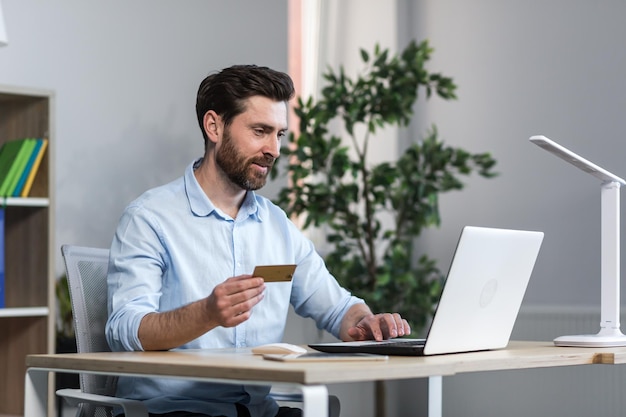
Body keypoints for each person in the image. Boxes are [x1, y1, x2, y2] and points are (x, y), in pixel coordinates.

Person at [105, 64, 411, 417]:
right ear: (214, 126)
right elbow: (124, 329)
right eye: (260, 131)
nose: (274, 149)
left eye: (279, 134)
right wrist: (206, 313)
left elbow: (338, 307)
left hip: (256, 411)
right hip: (172, 411)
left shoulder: (277, 225)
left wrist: (366, 322)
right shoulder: (149, 218)